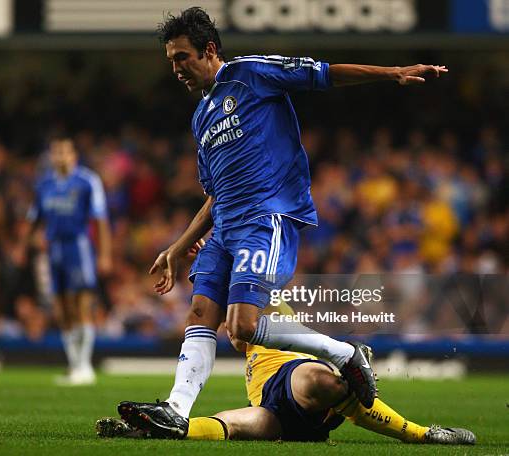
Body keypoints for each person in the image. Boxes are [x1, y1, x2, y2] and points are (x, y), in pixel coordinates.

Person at [119, 7, 448, 437]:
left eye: (182, 57)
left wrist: (391, 73)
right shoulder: (201, 117)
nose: (176, 68)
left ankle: (344, 354)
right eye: (171, 60)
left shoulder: (253, 73)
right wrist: (176, 249)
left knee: (243, 326)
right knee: (200, 313)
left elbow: (324, 73)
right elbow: (213, 197)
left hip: (265, 216)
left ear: (209, 50)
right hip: (226, 228)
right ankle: (176, 409)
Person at [99, 328, 475, 445]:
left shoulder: (270, 308)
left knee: (316, 380)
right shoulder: (244, 328)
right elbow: (234, 331)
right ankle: (152, 431)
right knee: (232, 422)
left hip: (290, 375)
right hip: (275, 410)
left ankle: (423, 434)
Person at [26, 135, 112, 385]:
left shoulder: (87, 181)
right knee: (61, 307)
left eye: (64, 152)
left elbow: (101, 219)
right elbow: (34, 219)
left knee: (82, 303)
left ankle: (85, 366)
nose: (60, 157)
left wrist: (105, 254)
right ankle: (75, 365)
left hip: (79, 245)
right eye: (56, 152)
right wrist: (28, 243)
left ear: (74, 155)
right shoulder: (44, 185)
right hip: (54, 249)